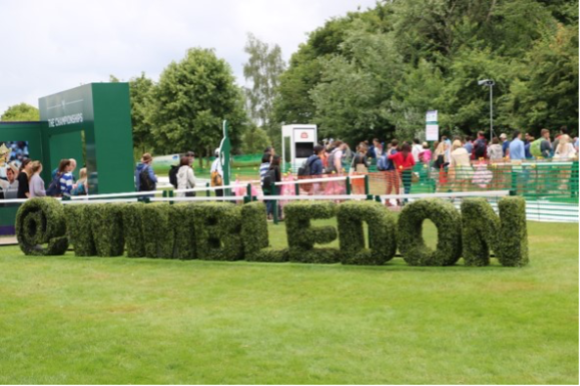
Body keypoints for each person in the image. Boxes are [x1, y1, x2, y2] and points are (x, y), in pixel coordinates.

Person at [265, 155, 282, 220]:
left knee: (270, 200)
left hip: (270, 186)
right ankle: (269, 213)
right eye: (280, 159)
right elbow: (279, 179)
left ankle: (269, 213)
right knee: (274, 200)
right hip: (276, 186)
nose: (281, 161)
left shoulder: (270, 167)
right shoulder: (277, 167)